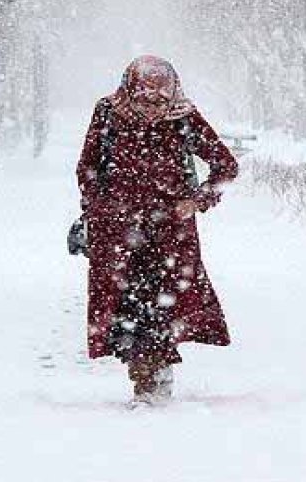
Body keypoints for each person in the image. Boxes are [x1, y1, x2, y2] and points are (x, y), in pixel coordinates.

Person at [75, 55, 239, 406]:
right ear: (129, 90)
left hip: (170, 236)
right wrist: (98, 211)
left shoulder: (183, 117)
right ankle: (145, 379)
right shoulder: (108, 112)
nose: (151, 107)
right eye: (143, 98)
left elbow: (226, 165)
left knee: (162, 306)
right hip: (117, 233)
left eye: (159, 99)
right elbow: (87, 168)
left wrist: (196, 201)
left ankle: (154, 382)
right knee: (125, 307)